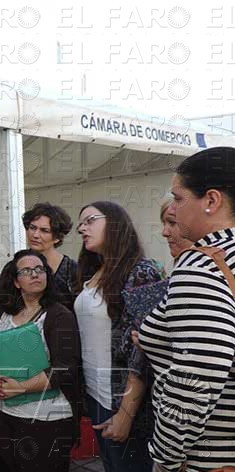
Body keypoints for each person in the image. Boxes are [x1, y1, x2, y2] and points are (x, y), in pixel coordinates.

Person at [138, 147, 235, 472]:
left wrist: (165, 458)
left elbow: (198, 374)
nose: (174, 210)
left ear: (211, 200)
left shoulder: (200, 266)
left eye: (179, 199)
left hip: (211, 459)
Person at [75, 201, 162, 472]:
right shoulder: (93, 271)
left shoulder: (141, 271)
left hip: (124, 403)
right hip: (96, 395)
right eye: (80, 224)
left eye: (90, 220)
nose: (82, 228)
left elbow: (146, 347)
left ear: (115, 223)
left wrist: (125, 413)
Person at [0, 249, 82, 471]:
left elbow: (65, 369)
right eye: (26, 271)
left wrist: (21, 387)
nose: (35, 274)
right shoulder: (4, 313)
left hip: (45, 421)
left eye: (39, 269)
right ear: (16, 282)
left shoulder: (59, 316)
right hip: (4, 415)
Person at [0, 202, 78, 313]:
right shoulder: (12, 267)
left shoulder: (71, 269)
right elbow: (2, 309)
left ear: (57, 238)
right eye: (32, 228)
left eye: (44, 230)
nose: (35, 235)